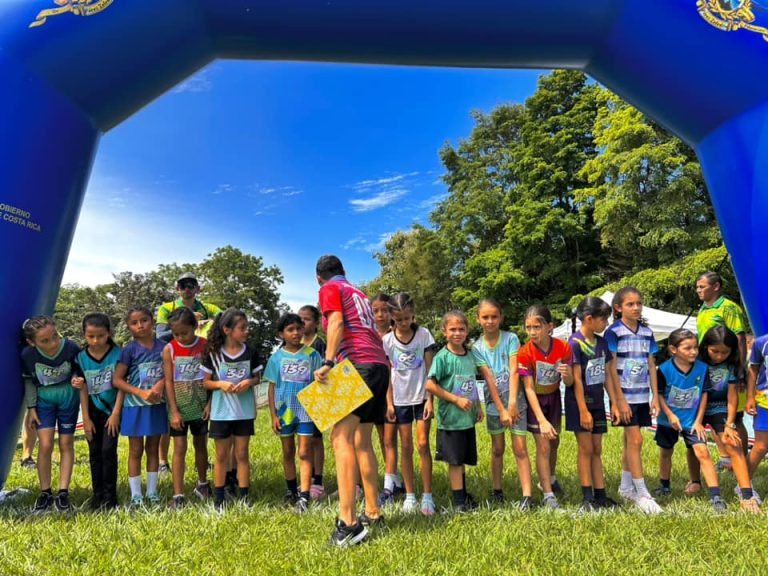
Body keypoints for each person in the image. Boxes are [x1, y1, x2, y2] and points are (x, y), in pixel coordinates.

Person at [313, 255, 389, 548]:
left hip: (356, 364)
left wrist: (329, 361)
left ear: (319, 277)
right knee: (362, 441)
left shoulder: (329, 288)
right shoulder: (359, 292)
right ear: (344, 271)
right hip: (379, 366)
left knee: (340, 437)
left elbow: (336, 321)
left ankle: (349, 523)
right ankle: (373, 510)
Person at [652, 329, 726, 512]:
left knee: (703, 452)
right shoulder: (663, 370)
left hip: (692, 421)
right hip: (667, 421)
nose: (693, 352)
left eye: (695, 347)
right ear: (673, 349)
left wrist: (699, 421)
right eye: (688, 348)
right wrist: (669, 415)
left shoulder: (702, 369)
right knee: (666, 452)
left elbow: (704, 395)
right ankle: (664, 485)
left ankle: (715, 496)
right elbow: (659, 395)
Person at [156, 272, 222, 474]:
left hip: (199, 361)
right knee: (171, 420)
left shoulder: (208, 308)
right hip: (172, 359)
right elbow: (161, 335)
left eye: (191, 285)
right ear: (177, 289)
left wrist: (206, 326)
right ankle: (162, 462)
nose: (187, 289)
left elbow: (224, 322)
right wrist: (190, 323)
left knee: (199, 432)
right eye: (183, 285)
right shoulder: (168, 308)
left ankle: (201, 467)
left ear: (197, 288)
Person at [471, 298, 533, 510]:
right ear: (478, 319)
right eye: (485, 317)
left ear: (501, 317)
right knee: (497, 449)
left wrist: (513, 403)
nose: (490, 321)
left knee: (520, 448)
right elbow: (488, 379)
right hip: (494, 405)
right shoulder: (477, 348)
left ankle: (527, 495)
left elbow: (514, 370)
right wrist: (501, 410)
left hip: (516, 403)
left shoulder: (511, 339)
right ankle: (497, 490)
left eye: (494, 316)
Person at [605, 287, 662, 514]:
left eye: (639, 303)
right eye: (630, 304)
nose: (636, 308)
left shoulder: (647, 333)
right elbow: (610, 367)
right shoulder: (613, 332)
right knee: (636, 440)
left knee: (631, 442)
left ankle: (625, 486)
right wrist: (618, 400)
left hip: (641, 396)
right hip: (623, 397)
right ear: (618, 308)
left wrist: (654, 396)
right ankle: (642, 491)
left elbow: (651, 365)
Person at [690, 271, 749, 481]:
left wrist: (741, 369)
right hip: (707, 368)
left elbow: (740, 338)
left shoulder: (728, 307)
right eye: (697, 287)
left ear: (715, 286)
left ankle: (742, 458)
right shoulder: (702, 308)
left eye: (702, 286)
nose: (698, 290)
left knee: (735, 416)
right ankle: (725, 458)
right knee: (714, 411)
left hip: (730, 370)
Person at [202, 308, 262, 513]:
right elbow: (205, 383)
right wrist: (220, 385)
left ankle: (244, 497)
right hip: (221, 413)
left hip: (244, 412)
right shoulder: (213, 354)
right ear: (227, 330)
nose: (246, 331)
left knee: (242, 454)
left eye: (247, 327)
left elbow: (258, 378)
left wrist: (249, 382)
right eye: (242, 328)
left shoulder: (251, 351)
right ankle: (219, 499)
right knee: (220, 456)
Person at [381, 293, 436, 515]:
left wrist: (431, 399)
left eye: (407, 318)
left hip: (422, 398)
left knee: (422, 444)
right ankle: (410, 495)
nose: (404, 323)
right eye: (399, 319)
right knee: (406, 446)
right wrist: (389, 402)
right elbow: (387, 374)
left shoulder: (424, 335)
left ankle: (427, 496)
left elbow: (431, 371)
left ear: (413, 314)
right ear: (392, 317)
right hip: (400, 400)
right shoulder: (387, 341)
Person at [20, 316, 80, 513]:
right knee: (45, 444)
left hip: (68, 399)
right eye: (45, 341)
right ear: (32, 342)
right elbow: (29, 381)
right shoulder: (28, 355)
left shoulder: (71, 347)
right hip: (44, 400)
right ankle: (45, 492)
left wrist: (75, 379)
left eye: (54, 336)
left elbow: (78, 371)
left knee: (65, 443)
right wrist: (31, 407)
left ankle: (63, 492)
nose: (53, 343)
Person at [566, 297, 621, 512]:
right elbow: (576, 379)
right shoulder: (574, 343)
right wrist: (583, 410)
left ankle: (601, 495)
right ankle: (587, 497)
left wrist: (614, 403)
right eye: (603, 319)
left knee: (597, 449)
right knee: (586, 449)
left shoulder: (602, 343)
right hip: (580, 404)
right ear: (589, 319)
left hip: (598, 403)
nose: (606, 323)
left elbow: (607, 374)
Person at [426, 310, 483, 512]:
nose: (457, 333)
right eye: (453, 329)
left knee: (462, 459)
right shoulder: (442, 357)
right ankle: (459, 503)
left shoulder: (470, 356)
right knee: (455, 461)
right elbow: (430, 385)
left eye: (461, 329)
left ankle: (463, 495)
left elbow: (471, 383)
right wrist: (455, 400)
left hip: (467, 419)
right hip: (450, 420)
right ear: (444, 331)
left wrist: (478, 407)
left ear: (467, 331)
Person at [697, 326, 760, 512]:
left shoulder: (731, 365)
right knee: (695, 446)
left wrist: (730, 424)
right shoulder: (696, 362)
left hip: (720, 408)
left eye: (724, 352)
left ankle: (747, 494)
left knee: (733, 443)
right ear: (705, 346)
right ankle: (695, 481)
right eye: (714, 351)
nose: (719, 356)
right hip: (696, 409)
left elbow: (732, 395)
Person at [265, 312, 322, 513]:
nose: (296, 333)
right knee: (288, 451)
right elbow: (271, 387)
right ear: (282, 334)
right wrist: (273, 415)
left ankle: (304, 496)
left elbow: (320, 382)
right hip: (285, 411)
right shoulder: (276, 358)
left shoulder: (312, 355)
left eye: (298, 328)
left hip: (306, 410)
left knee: (305, 452)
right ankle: (291, 491)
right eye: (290, 329)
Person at [518, 305, 572, 510]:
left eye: (537, 327)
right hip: (535, 402)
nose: (532, 332)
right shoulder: (525, 353)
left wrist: (566, 375)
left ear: (550, 326)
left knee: (554, 442)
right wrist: (541, 420)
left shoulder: (563, 348)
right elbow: (529, 389)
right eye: (528, 327)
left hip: (554, 398)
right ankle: (548, 495)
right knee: (543, 446)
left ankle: (549, 478)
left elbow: (568, 383)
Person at [113, 307, 168, 508]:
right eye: (134, 323)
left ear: (152, 322)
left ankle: (152, 491)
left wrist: (159, 385)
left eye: (144, 320)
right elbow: (117, 380)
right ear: (129, 327)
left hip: (157, 405)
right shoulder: (129, 350)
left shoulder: (165, 347)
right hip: (134, 406)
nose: (140, 325)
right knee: (135, 450)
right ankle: (136, 494)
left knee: (153, 448)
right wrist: (141, 393)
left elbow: (170, 374)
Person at [71, 313, 124, 510]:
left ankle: (111, 497)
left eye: (100, 336)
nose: (95, 340)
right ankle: (97, 495)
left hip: (112, 412)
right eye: (90, 336)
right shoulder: (81, 358)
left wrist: (116, 413)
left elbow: (122, 385)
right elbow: (82, 387)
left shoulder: (119, 354)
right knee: (95, 453)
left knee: (108, 451)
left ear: (109, 333)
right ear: (84, 335)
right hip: (92, 413)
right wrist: (85, 418)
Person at [161, 307, 211, 509]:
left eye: (185, 332)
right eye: (176, 334)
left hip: (200, 406)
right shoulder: (169, 349)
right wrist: (173, 411)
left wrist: (209, 403)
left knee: (201, 445)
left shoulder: (206, 347)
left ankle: (202, 484)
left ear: (194, 327)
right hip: (178, 409)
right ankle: (178, 494)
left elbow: (212, 376)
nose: (181, 337)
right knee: (179, 448)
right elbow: (168, 381)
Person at [371, 292, 403, 500]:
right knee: (374, 438)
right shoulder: (368, 334)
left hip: (394, 392)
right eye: (376, 311)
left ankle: (391, 483)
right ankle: (391, 480)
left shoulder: (398, 334)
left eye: (385, 310)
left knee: (388, 438)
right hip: (371, 390)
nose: (381, 315)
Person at [299, 304, 327, 500]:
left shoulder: (320, 344)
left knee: (316, 440)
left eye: (306, 319)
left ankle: (318, 480)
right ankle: (305, 476)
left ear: (316, 323)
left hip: (315, 398)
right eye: (299, 319)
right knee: (302, 440)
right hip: (296, 398)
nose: (301, 323)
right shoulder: (294, 343)